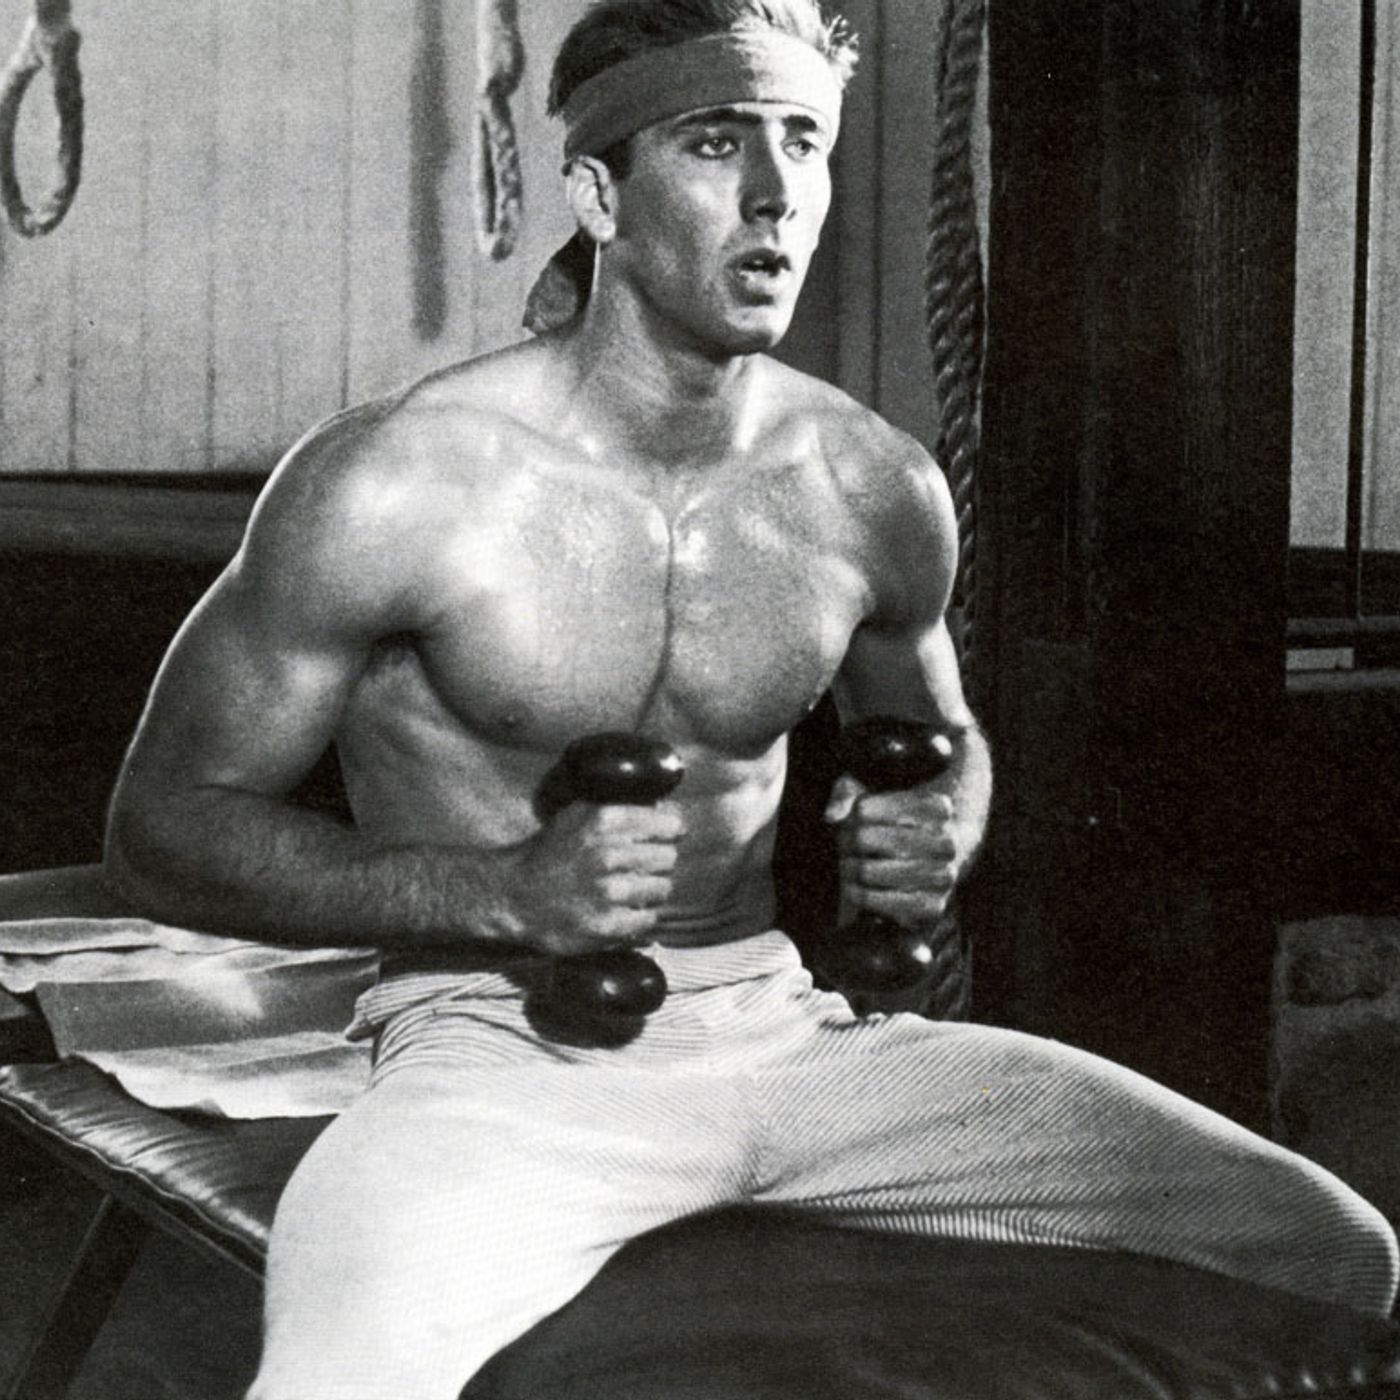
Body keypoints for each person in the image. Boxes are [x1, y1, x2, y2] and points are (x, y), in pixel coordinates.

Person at [103, 1, 1399, 1395]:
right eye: (717, 144)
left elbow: (943, 741)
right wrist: (501, 894)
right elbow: (163, 828)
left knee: (1325, 1248)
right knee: (338, 1379)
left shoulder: (867, 482)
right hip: (504, 1059)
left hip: (790, 1040)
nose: (778, 194)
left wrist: (940, 825)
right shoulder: (396, 480)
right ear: (600, 192)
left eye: (805, 143)